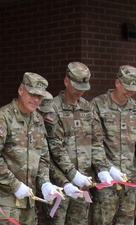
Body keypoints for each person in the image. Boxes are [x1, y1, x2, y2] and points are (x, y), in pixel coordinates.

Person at [39, 62, 113, 225]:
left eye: (83, 86)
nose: (80, 90)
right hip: (59, 183)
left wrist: (102, 170)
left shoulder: (88, 108)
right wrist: (73, 175)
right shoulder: (52, 108)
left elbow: (96, 143)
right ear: (66, 81)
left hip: (84, 183)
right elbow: (54, 148)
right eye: (77, 86)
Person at [0, 72, 62, 225]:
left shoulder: (38, 120)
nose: (36, 100)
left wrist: (45, 183)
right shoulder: (3, 117)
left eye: (39, 97)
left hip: (29, 203)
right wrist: (15, 185)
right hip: (5, 202)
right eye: (32, 94)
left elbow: (43, 158)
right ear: (21, 90)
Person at [91, 65, 136, 225]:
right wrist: (106, 169)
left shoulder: (134, 109)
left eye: (133, 89)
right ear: (117, 83)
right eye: (127, 88)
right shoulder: (97, 105)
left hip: (130, 182)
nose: (129, 93)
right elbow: (94, 143)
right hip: (107, 181)